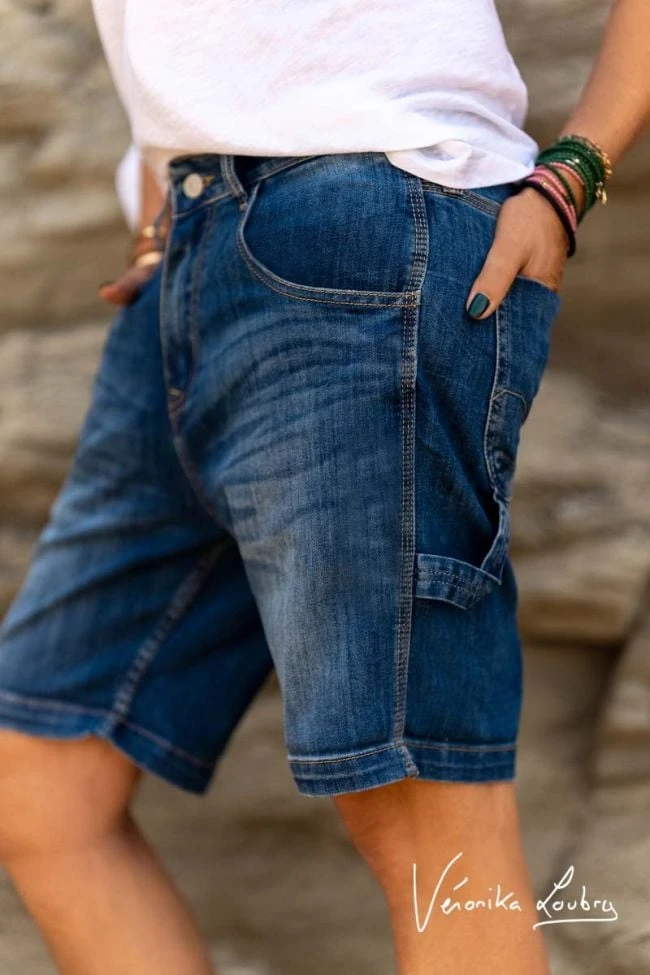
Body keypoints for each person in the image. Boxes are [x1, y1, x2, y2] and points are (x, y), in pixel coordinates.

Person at [0, 2, 647, 973]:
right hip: (186, 244)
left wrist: (571, 175)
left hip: (373, 217)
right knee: (41, 778)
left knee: (425, 822)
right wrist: (154, 215)